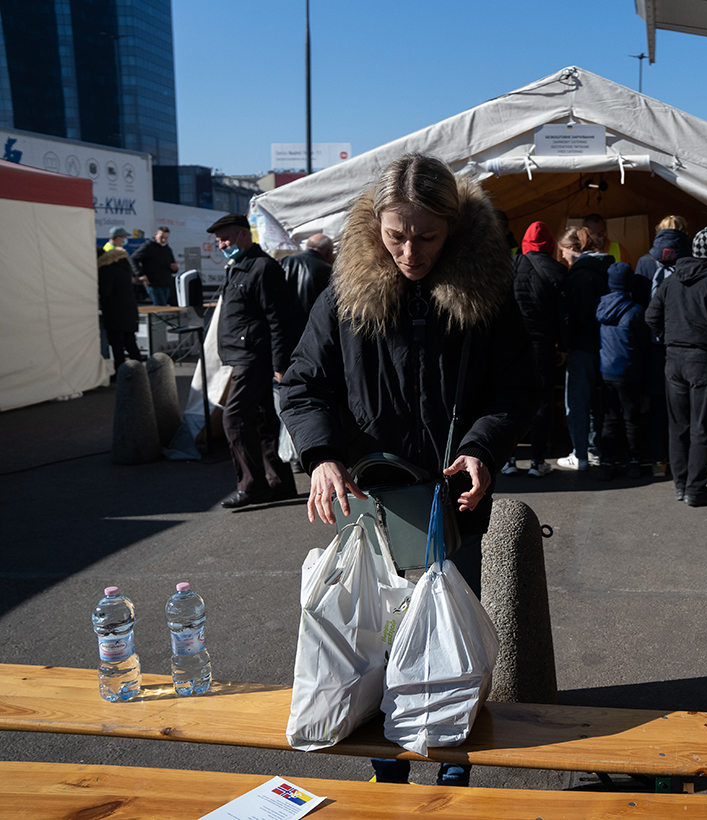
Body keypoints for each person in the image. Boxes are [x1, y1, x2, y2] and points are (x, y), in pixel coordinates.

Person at [280, 154, 542, 786]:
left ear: (455, 227)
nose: (409, 250)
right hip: (372, 500)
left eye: (426, 236)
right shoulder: (345, 294)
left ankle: (451, 766)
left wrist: (482, 446)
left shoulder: (489, 290)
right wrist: (320, 457)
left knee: (448, 641)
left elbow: (518, 386)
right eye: (395, 235)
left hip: (452, 499)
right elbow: (303, 385)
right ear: (374, 226)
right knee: (373, 643)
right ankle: (386, 776)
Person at [646, 227, 707, 507]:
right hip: (703, 361)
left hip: (674, 359)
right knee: (702, 426)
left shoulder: (672, 280)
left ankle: (681, 485)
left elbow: (651, 315)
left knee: (678, 426)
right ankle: (696, 488)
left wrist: (670, 338)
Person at [207, 213, 297, 509]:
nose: (221, 245)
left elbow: (280, 320)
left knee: (234, 418)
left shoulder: (261, 267)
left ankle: (251, 485)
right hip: (244, 356)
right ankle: (279, 482)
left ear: (243, 235)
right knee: (262, 420)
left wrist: (280, 363)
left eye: (225, 238)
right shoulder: (239, 267)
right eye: (219, 240)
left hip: (254, 357)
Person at [506, 221, 570, 477]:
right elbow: (565, 316)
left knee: (509, 399)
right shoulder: (557, 270)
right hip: (542, 344)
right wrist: (563, 347)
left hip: (510, 344)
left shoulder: (509, 266)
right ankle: (537, 461)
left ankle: (508, 460)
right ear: (550, 244)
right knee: (541, 402)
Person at [634, 216, 692, 477]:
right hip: (683, 343)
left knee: (657, 407)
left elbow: (638, 306)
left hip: (653, 346)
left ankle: (659, 461)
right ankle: (685, 463)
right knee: (684, 406)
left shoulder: (645, 262)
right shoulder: (690, 263)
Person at [556, 227, 612, 471]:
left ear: (572, 249)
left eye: (563, 252)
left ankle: (579, 454)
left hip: (581, 345)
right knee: (595, 402)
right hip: (605, 345)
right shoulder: (606, 269)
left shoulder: (578, 277)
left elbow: (573, 316)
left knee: (577, 402)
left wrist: (563, 344)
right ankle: (593, 449)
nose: (563, 258)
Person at [596, 262, 651, 480]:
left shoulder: (600, 307)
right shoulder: (636, 311)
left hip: (606, 370)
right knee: (631, 418)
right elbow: (644, 345)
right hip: (629, 372)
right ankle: (633, 462)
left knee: (609, 418)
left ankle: (607, 463)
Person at [97, 227, 143, 370]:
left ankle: (121, 373)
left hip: (114, 312)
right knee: (130, 343)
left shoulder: (107, 268)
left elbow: (106, 291)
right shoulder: (124, 268)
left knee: (117, 345)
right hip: (129, 310)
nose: (124, 240)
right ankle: (140, 371)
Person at [278, 234, 334, 340]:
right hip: (312, 330)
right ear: (328, 252)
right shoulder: (327, 271)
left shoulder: (284, 262)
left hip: (285, 328)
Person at [131, 226, 179, 306]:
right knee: (160, 306)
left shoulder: (167, 249)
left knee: (165, 306)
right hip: (152, 283)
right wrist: (140, 274)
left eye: (166, 238)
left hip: (166, 283)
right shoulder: (148, 246)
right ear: (156, 235)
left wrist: (174, 268)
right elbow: (133, 259)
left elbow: (171, 265)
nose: (163, 240)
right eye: (161, 237)